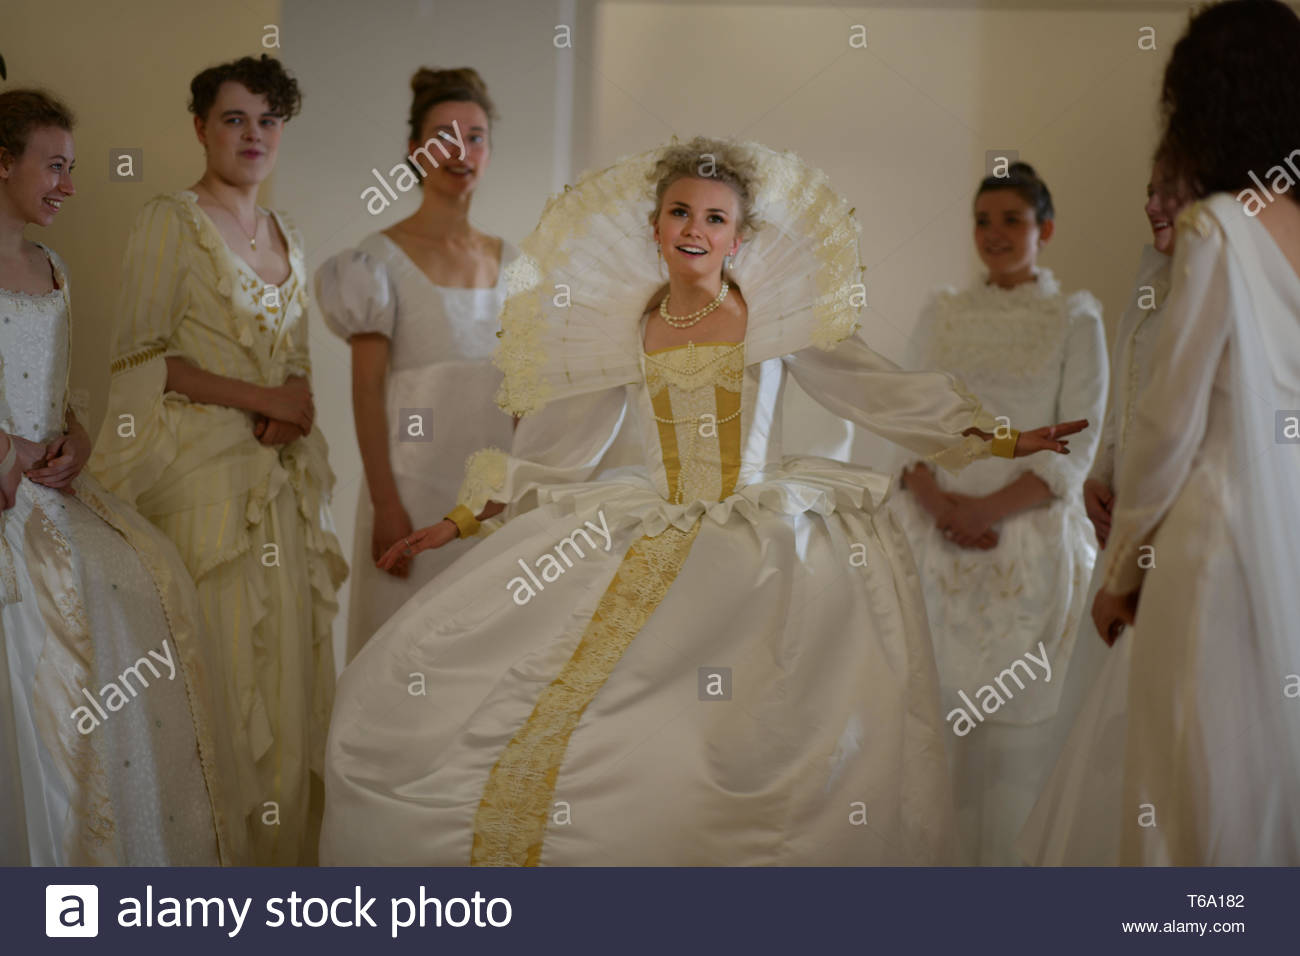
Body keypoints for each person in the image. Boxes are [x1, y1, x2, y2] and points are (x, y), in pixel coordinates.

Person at [320, 137, 1087, 866]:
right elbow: (554, 454)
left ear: (738, 239)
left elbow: (879, 391)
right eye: (680, 212)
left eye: (715, 218)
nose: (695, 228)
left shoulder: (773, 320)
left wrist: (999, 437)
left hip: (759, 541)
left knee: (741, 735)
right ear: (655, 228)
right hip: (647, 523)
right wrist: (455, 522)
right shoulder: (630, 330)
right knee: (610, 722)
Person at [1039, 0, 1300, 864]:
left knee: (1190, 783)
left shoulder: (1216, 229)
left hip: (1215, 543)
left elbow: (1166, 424)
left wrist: (1120, 572)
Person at [90, 57, 347, 865]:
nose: (253, 135)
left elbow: (298, 359)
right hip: (206, 489)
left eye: (268, 121)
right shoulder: (170, 219)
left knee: (290, 685)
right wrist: (259, 400)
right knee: (224, 680)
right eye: (235, 119)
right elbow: (142, 361)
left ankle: (281, 886)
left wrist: (291, 400)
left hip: (285, 488)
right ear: (200, 127)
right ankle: (209, 886)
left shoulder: (289, 232)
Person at [0, 89, 245, 865]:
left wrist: (73, 439)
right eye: (54, 167)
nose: (68, 187)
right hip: (8, 489)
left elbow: (60, 391)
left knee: (140, 575)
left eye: (71, 169)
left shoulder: (54, 267)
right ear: (2, 163)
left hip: (50, 481)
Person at [888, 162, 1107, 864]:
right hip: (934, 541)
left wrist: (986, 509)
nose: (995, 234)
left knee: (1018, 753)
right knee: (931, 746)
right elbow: (905, 416)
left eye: (1012, 219)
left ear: (1044, 228)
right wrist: (940, 503)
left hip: (1028, 545)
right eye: (983, 221)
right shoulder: (942, 311)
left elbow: (1080, 438)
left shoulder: (1075, 317)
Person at [1017, 154, 1196, 865]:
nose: (1152, 204)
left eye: (1169, 189)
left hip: (1177, 538)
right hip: (1122, 524)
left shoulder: (1224, 284)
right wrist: (1101, 473)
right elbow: (1129, 406)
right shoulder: (1152, 281)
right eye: (1147, 189)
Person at [316, 67, 516, 662]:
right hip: (410, 490)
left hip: (489, 499)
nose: (462, 151)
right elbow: (366, 390)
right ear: (414, 150)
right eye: (444, 136)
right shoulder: (375, 262)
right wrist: (386, 505)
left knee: (486, 658)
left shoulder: (519, 261)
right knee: (403, 657)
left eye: (475, 136)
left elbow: (531, 389)